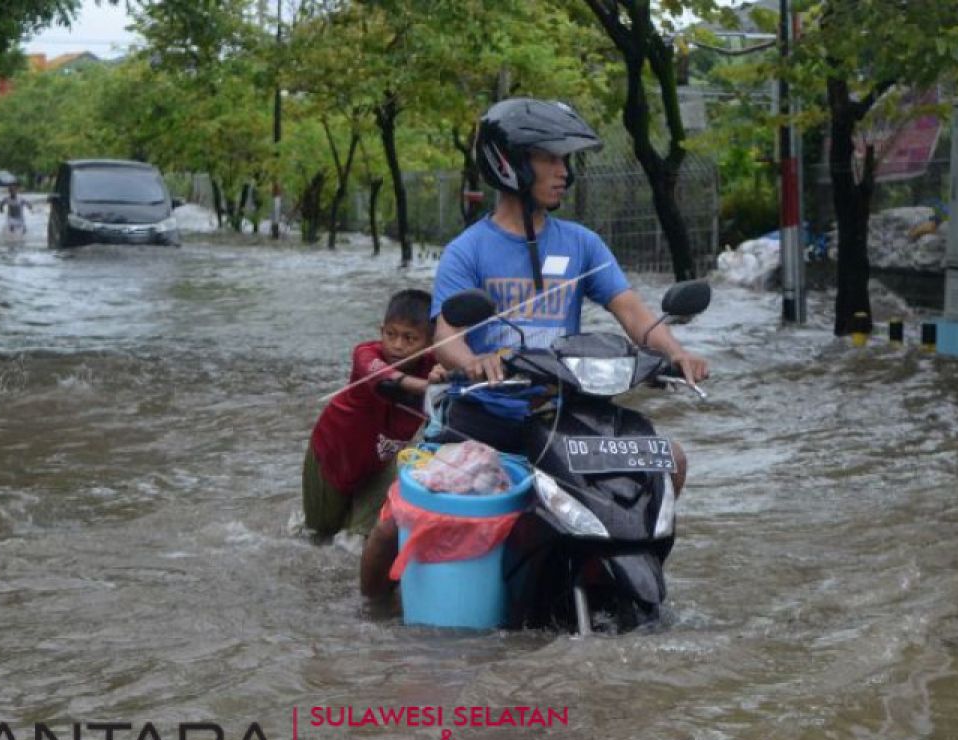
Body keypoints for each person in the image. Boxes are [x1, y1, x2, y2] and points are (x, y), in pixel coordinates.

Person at [360, 98, 709, 597]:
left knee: (668, 460)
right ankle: (370, 622)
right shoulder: (468, 250)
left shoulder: (583, 244)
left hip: (565, 414)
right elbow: (446, 336)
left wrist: (676, 353)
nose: (564, 172)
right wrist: (473, 363)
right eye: (550, 158)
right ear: (511, 162)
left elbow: (632, 311)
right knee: (392, 527)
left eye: (565, 161)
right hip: (480, 416)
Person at [303, 289, 445, 538]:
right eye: (390, 335)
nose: (397, 345)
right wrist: (430, 388)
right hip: (334, 456)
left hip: (381, 462)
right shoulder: (366, 354)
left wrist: (447, 379)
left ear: (430, 342)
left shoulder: (437, 366)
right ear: (381, 331)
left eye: (410, 338)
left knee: (358, 539)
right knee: (320, 534)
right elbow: (385, 379)